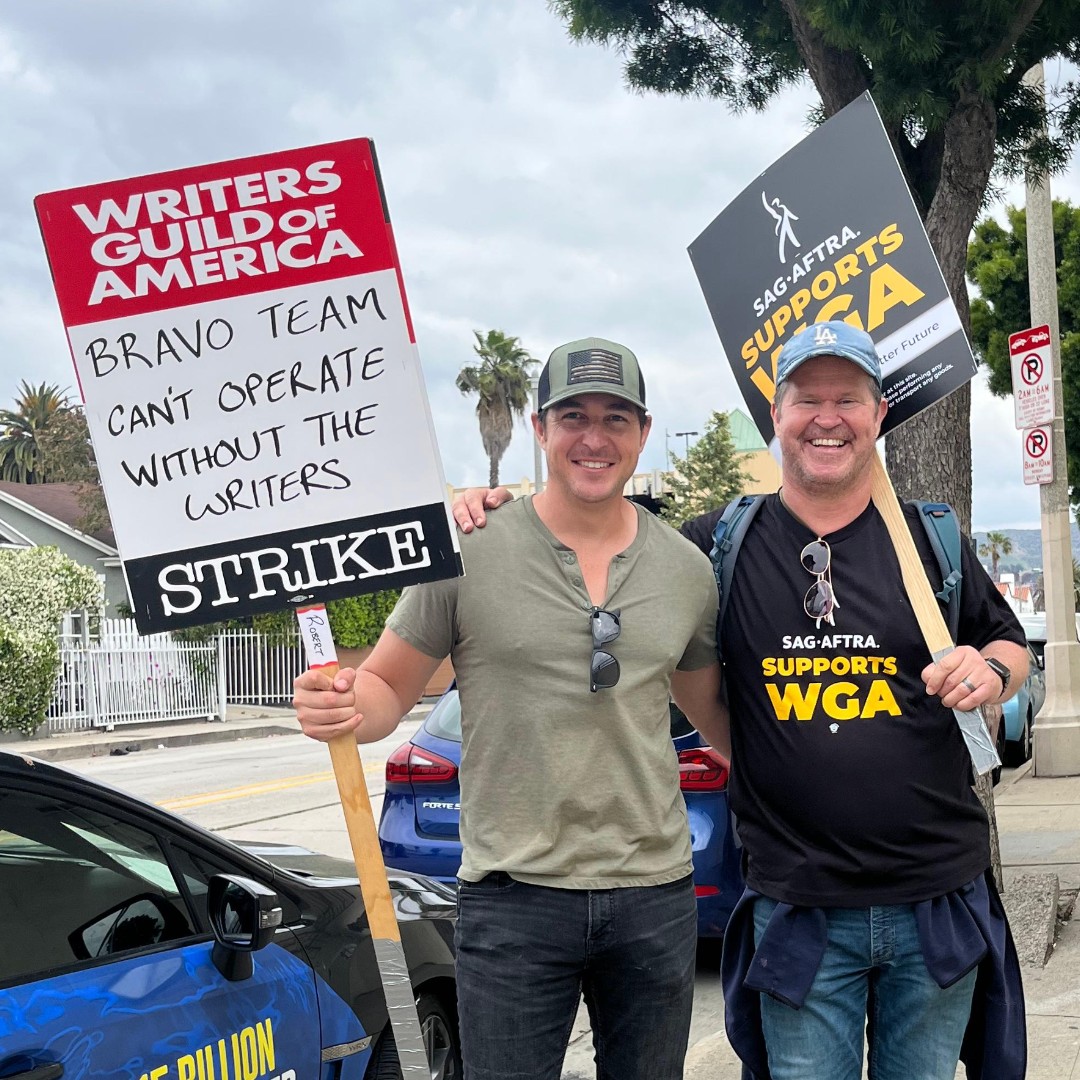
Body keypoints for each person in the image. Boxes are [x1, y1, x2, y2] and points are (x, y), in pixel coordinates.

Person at [452, 320, 1029, 1080]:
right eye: (807, 399)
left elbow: (1009, 646)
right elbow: (604, 536)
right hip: (798, 908)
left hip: (935, 906)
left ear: (878, 413)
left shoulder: (933, 542)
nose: (828, 417)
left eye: (848, 398)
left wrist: (991, 673)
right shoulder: (716, 544)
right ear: (776, 416)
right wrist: (499, 510)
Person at [293, 337, 730, 1080]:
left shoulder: (686, 572)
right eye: (574, 417)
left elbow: (719, 719)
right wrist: (340, 702)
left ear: (644, 432)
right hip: (513, 899)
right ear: (538, 427)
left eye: (616, 419)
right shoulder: (470, 545)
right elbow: (389, 689)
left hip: (653, 899)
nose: (594, 438)